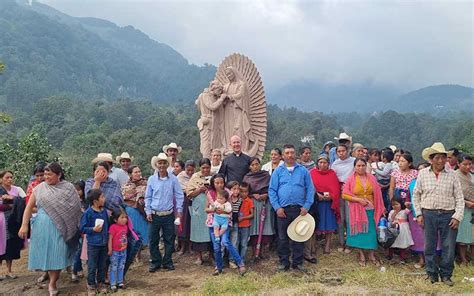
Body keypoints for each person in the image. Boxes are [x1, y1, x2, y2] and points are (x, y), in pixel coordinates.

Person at [18, 163, 82, 296]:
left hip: (62, 228)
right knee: (46, 254)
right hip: (42, 226)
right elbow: (29, 208)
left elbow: (75, 208)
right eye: (45, 174)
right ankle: (48, 279)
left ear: (59, 175)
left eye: (49, 174)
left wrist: (74, 223)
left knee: (58, 254)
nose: (46, 177)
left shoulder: (68, 188)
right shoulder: (39, 188)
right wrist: (24, 225)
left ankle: (52, 283)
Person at [413, 142, 464, 286]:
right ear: (431, 159)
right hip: (428, 214)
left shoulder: (453, 175)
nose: (441, 160)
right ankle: (431, 274)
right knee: (429, 246)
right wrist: (418, 214)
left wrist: (457, 216)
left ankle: (446, 275)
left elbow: (459, 197)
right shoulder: (422, 174)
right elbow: (416, 195)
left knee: (448, 246)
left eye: (443, 157)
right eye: (437, 158)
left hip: (449, 215)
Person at [269, 144, 315, 272]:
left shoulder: (303, 171)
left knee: (298, 237)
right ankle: (284, 263)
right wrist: (277, 207)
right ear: (283, 156)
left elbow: (310, 189)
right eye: (287, 153)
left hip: (299, 210)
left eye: (292, 152)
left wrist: (306, 206)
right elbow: (272, 191)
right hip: (282, 210)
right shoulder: (278, 171)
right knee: (282, 238)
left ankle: (298, 263)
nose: (290, 155)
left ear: (295, 155)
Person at [342, 158, 385, 267]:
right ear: (355, 167)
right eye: (358, 166)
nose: (361, 168)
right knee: (359, 232)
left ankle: (371, 254)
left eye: (363, 165)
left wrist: (381, 208)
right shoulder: (350, 179)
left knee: (371, 232)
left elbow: (378, 194)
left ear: (366, 166)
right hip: (356, 210)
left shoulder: (372, 178)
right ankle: (361, 254)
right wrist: (358, 200)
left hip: (370, 209)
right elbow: (344, 194)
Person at [146, 153, 184, 272]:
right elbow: (148, 196)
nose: (162, 165)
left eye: (164, 163)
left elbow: (179, 195)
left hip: (168, 214)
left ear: (167, 164)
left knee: (169, 239)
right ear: (156, 165)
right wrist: (148, 211)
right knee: (153, 239)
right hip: (155, 214)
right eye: (160, 163)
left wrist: (179, 211)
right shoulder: (152, 179)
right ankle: (156, 261)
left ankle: (167, 261)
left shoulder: (173, 179)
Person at [205, 173, 246, 275]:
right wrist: (212, 210)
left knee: (226, 242)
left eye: (221, 182)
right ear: (213, 183)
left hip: (225, 222)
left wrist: (221, 211)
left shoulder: (228, 192)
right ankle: (218, 268)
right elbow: (206, 209)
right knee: (216, 246)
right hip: (213, 223)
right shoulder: (209, 193)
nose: (219, 185)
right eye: (217, 183)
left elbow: (230, 209)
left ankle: (240, 264)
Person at [243, 157, 275, 260]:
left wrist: (266, 195)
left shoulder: (266, 175)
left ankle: (262, 252)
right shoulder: (247, 177)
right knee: (254, 228)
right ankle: (254, 253)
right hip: (253, 204)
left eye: (257, 164)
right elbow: (244, 192)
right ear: (249, 167)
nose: (255, 167)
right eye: (252, 165)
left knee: (265, 227)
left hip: (265, 203)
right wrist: (253, 195)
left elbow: (272, 188)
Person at [310, 155, 341, 254]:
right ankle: (312, 245)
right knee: (315, 223)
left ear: (328, 164)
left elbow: (336, 188)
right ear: (317, 163)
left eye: (325, 162)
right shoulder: (312, 173)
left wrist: (331, 196)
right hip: (316, 202)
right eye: (320, 162)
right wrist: (316, 194)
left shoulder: (332, 174)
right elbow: (310, 186)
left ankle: (327, 245)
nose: (322, 164)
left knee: (329, 223)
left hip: (328, 204)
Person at [80, 189, 108, 295]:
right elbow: (82, 228)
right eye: (102, 197)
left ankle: (101, 283)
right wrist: (93, 229)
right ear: (95, 201)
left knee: (102, 265)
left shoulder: (104, 211)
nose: (104, 199)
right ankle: (91, 285)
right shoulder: (88, 213)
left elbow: (107, 226)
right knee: (92, 265)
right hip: (93, 244)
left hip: (103, 243)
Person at [186, 158, 213, 265]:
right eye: (203, 168)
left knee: (211, 229)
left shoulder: (214, 176)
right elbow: (189, 194)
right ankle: (199, 257)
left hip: (210, 207)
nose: (206, 170)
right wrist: (199, 190)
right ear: (200, 168)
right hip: (198, 208)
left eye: (207, 167)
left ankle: (211, 256)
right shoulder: (195, 177)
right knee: (197, 230)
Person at [0, 170, 26, 280]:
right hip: (1, 221)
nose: (10, 179)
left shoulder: (17, 189)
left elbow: (25, 201)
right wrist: (12, 205)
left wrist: (12, 199)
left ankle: (9, 271)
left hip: (13, 221)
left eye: (11, 177)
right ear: (1, 179)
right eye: (7, 177)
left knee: (9, 244)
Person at [221, 66, 253, 153]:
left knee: (239, 128)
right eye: (227, 74)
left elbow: (241, 95)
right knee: (229, 129)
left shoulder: (241, 84)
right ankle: (230, 148)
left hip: (238, 109)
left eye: (230, 73)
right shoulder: (226, 86)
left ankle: (242, 149)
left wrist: (230, 97)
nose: (229, 75)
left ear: (234, 73)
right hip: (228, 110)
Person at [331, 144, 355, 253]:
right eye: (339, 151)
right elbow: (333, 178)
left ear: (348, 151)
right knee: (341, 218)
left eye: (343, 151)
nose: (341, 153)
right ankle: (341, 242)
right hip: (339, 193)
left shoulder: (354, 162)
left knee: (350, 219)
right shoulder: (335, 164)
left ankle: (350, 243)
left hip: (351, 192)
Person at [121, 165, 148, 259]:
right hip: (132, 210)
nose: (138, 174)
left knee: (143, 230)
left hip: (143, 210)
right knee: (134, 232)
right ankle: (135, 254)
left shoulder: (146, 183)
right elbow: (125, 198)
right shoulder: (126, 185)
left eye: (139, 171)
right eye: (136, 172)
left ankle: (139, 253)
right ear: (130, 174)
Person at [408, 162, 431, 269]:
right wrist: (407, 203)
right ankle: (421, 259)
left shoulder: (432, 181)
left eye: (423, 169)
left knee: (431, 237)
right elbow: (409, 197)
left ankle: (431, 260)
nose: (420, 172)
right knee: (418, 238)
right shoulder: (412, 183)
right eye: (419, 170)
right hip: (415, 213)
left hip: (430, 213)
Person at [455, 154, 474, 266]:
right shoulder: (455, 176)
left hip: (473, 210)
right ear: (458, 164)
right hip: (462, 209)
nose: (468, 167)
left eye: (470, 164)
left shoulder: (472, 176)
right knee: (462, 234)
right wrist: (466, 202)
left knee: (473, 235)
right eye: (465, 164)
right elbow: (453, 194)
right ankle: (463, 260)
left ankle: (472, 258)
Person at [176, 160, 196, 255]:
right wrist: (189, 190)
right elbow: (179, 189)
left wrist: (192, 191)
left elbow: (196, 188)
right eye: (188, 170)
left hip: (193, 202)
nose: (190, 172)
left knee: (191, 223)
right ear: (185, 169)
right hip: (183, 202)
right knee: (183, 224)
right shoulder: (180, 177)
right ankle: (182, 247)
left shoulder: (196, 177)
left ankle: (191, 247)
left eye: (192, 170)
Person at [387, 197, 414, 264]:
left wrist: (408, 205)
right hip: (394, 229)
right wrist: (395, 213)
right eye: (393, 205)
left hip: (403, 229)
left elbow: (410, 209)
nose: (395, 206)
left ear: (401, 204)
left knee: (402, 243)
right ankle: (390, 255)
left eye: (397, 204)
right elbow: (390, 220)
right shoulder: (391, 211)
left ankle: (402, 257)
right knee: (393, 242)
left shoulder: (404, 211)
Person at [108, 209, 128, 292]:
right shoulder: (113, 227)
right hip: (115, 251)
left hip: (123, 251)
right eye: (122, 217)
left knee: (121, 266)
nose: (125, 219)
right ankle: (113, 283)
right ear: (115, 220)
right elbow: (110, 239)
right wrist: (110, 249)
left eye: (125, 217)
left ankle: (120, 282)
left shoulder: (125, 227)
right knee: (114, 267)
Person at [72, 180, 87, 282]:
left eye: (79, 190)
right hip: (73, 229)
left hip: (83, 230)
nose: (77, 192)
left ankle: (77, 268)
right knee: (76, 250)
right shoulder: (71, 202)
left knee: (80, 250)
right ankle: (75, 270)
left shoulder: (87, 203)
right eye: (75, 190)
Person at [237, 182, 254, 264]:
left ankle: (242, 260)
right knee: (236, 243)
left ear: (248, 192)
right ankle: (235, 259)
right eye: (241, 191)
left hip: (245, 226)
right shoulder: (235, 200)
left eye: (246, 192)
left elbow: (252, 215)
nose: (244, 193)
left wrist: (242, 218)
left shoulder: (250, 201)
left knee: (244, 244)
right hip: (236, 225)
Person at [227, 181, 243, 268]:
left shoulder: (240, 200)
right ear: (229, 190)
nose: (236, 191)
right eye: (234, 189)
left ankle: (232, 260)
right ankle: (221, 260)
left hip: (235, 223)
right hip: (226, 223)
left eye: (238, 189)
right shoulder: (225, 199)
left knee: (234, 242)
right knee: (224, 242)